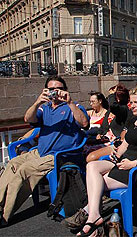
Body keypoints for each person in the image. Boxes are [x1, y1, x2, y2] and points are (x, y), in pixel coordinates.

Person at [72, 87, 137, 236]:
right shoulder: (135, 121)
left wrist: (134, 163)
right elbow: (126, 143)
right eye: (131, 102)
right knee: (92, 165)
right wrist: (116, 153)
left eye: (136, 102)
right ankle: (94, 216)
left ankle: (92, 217)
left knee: (97, 183)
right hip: (123, 161)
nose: (131, 105)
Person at [0, 76, 89, 225]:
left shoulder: (74, 107)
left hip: (58, 155)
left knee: (24, 170)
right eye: (52, 89)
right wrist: (37, 102)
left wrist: (70, 102)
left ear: (65, 90)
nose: (56, 92)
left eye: (59, 89)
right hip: (40, 152)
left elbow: (84, 123)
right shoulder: (44, 107)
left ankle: (5, 215)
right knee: (13, 164)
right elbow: (28, 119)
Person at [85, 84, 130, 162]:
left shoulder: (124, 110)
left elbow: (113, 106)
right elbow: (103, 125)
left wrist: (112, 94)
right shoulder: (109, 111)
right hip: (104, 139)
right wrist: (99, 133)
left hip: (114, 142)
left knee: (90, 156)